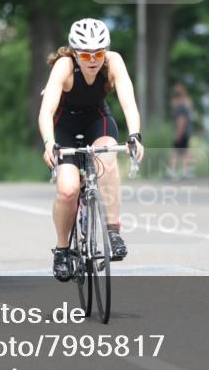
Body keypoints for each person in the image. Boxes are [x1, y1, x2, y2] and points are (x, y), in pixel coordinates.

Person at [38, 18, 144, 282]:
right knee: (68, 190)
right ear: (75, 52)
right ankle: (62, 249)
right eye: (85, 54)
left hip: (98, 120)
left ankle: (113, 230)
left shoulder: (113, 61)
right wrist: (49, 142)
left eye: (98, 52)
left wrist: (134, 136)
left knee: (107, 158)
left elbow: (128, 101)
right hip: (64, 124)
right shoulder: (64, 66)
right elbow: (46, 110)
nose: (93, 59)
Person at [169, 82, 194, 179]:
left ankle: (173, 170)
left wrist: (178, 135)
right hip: (186, 132)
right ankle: (186, 171)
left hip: (182, 132)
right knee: (185, 151)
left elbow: (181, 121)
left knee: (176, 151)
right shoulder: (184, 105)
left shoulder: (180, 107)